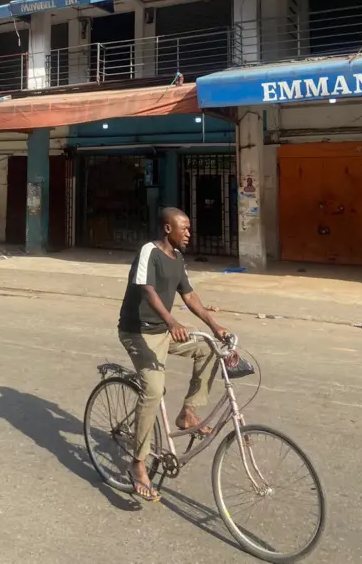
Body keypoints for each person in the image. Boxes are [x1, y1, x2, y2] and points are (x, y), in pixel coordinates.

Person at [118, 207, 229, 501]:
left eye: (190, 228)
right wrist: (171, 321)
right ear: (168, 229)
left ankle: (188, 411)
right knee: (153, 390)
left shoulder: (178, 259)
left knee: (207, 348)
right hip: (138, 332)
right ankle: (137, 464)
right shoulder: (148, 252)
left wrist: (214, 326)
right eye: (185, 228)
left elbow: (189, 296)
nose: (189, 233)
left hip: (164, 331)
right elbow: (146, 289)